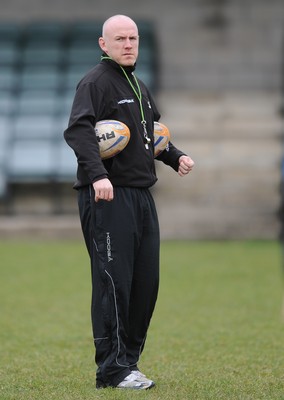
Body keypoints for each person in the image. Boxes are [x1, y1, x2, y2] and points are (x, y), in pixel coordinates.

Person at [64, 14, 194, 390]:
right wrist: (97, 175)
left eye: (133, 38)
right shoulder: (94, 83)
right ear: (104, 44)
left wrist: (175, 156)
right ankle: (112, 370)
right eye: (119, 38)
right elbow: (78, 130)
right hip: (108, 196)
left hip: (141, 196)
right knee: (113, 282)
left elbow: (149, 135)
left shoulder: (138, 85)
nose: (127, 44)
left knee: (144, 283)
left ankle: (129, 363)